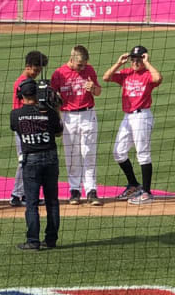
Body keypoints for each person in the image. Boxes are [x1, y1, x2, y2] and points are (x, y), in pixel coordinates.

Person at [103, 45, 162, 205]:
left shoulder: (147, 75)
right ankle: (134, 185)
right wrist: (119, 63)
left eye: (139, 59)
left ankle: (147, 193)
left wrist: (147, 63)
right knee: (118, 152)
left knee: (143, 154)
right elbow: (106, 77)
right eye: (133, 59)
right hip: (127, 117)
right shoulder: (126, 73)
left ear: (144, 59)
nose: (135, 62)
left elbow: (158, 78)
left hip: (142, 116)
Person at [11, 79, 63, 251]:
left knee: (32, 203)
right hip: (50, 158)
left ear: (21, 95)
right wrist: (54, 108)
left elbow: (16, 129)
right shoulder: (50, 112)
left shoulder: (15, 115)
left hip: (30, 160)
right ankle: (51, 240)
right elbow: (58, 132)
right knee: (52, 201)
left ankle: (33, 241)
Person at [50, 45, 102, 206]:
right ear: (71, 59)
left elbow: (99, 91)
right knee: (72, 155)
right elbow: (52, 99)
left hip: (88, 114)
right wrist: (57, 118)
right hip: (68, 116)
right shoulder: (58, 74)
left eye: (85, 64)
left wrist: (93, 88)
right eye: (80, 65)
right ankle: (74, 190)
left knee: (89, 152)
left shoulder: (89, 70)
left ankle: (91, 190)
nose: (82, 68)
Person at [8, 51, 48, 207]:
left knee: (30, 161)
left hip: (28, 124)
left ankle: (25, 194)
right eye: (36, 70)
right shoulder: (23, 83)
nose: (37, 73)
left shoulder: (28, 81)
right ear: (28, 66)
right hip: (23, 125)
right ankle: (16, 195)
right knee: (24, 160)